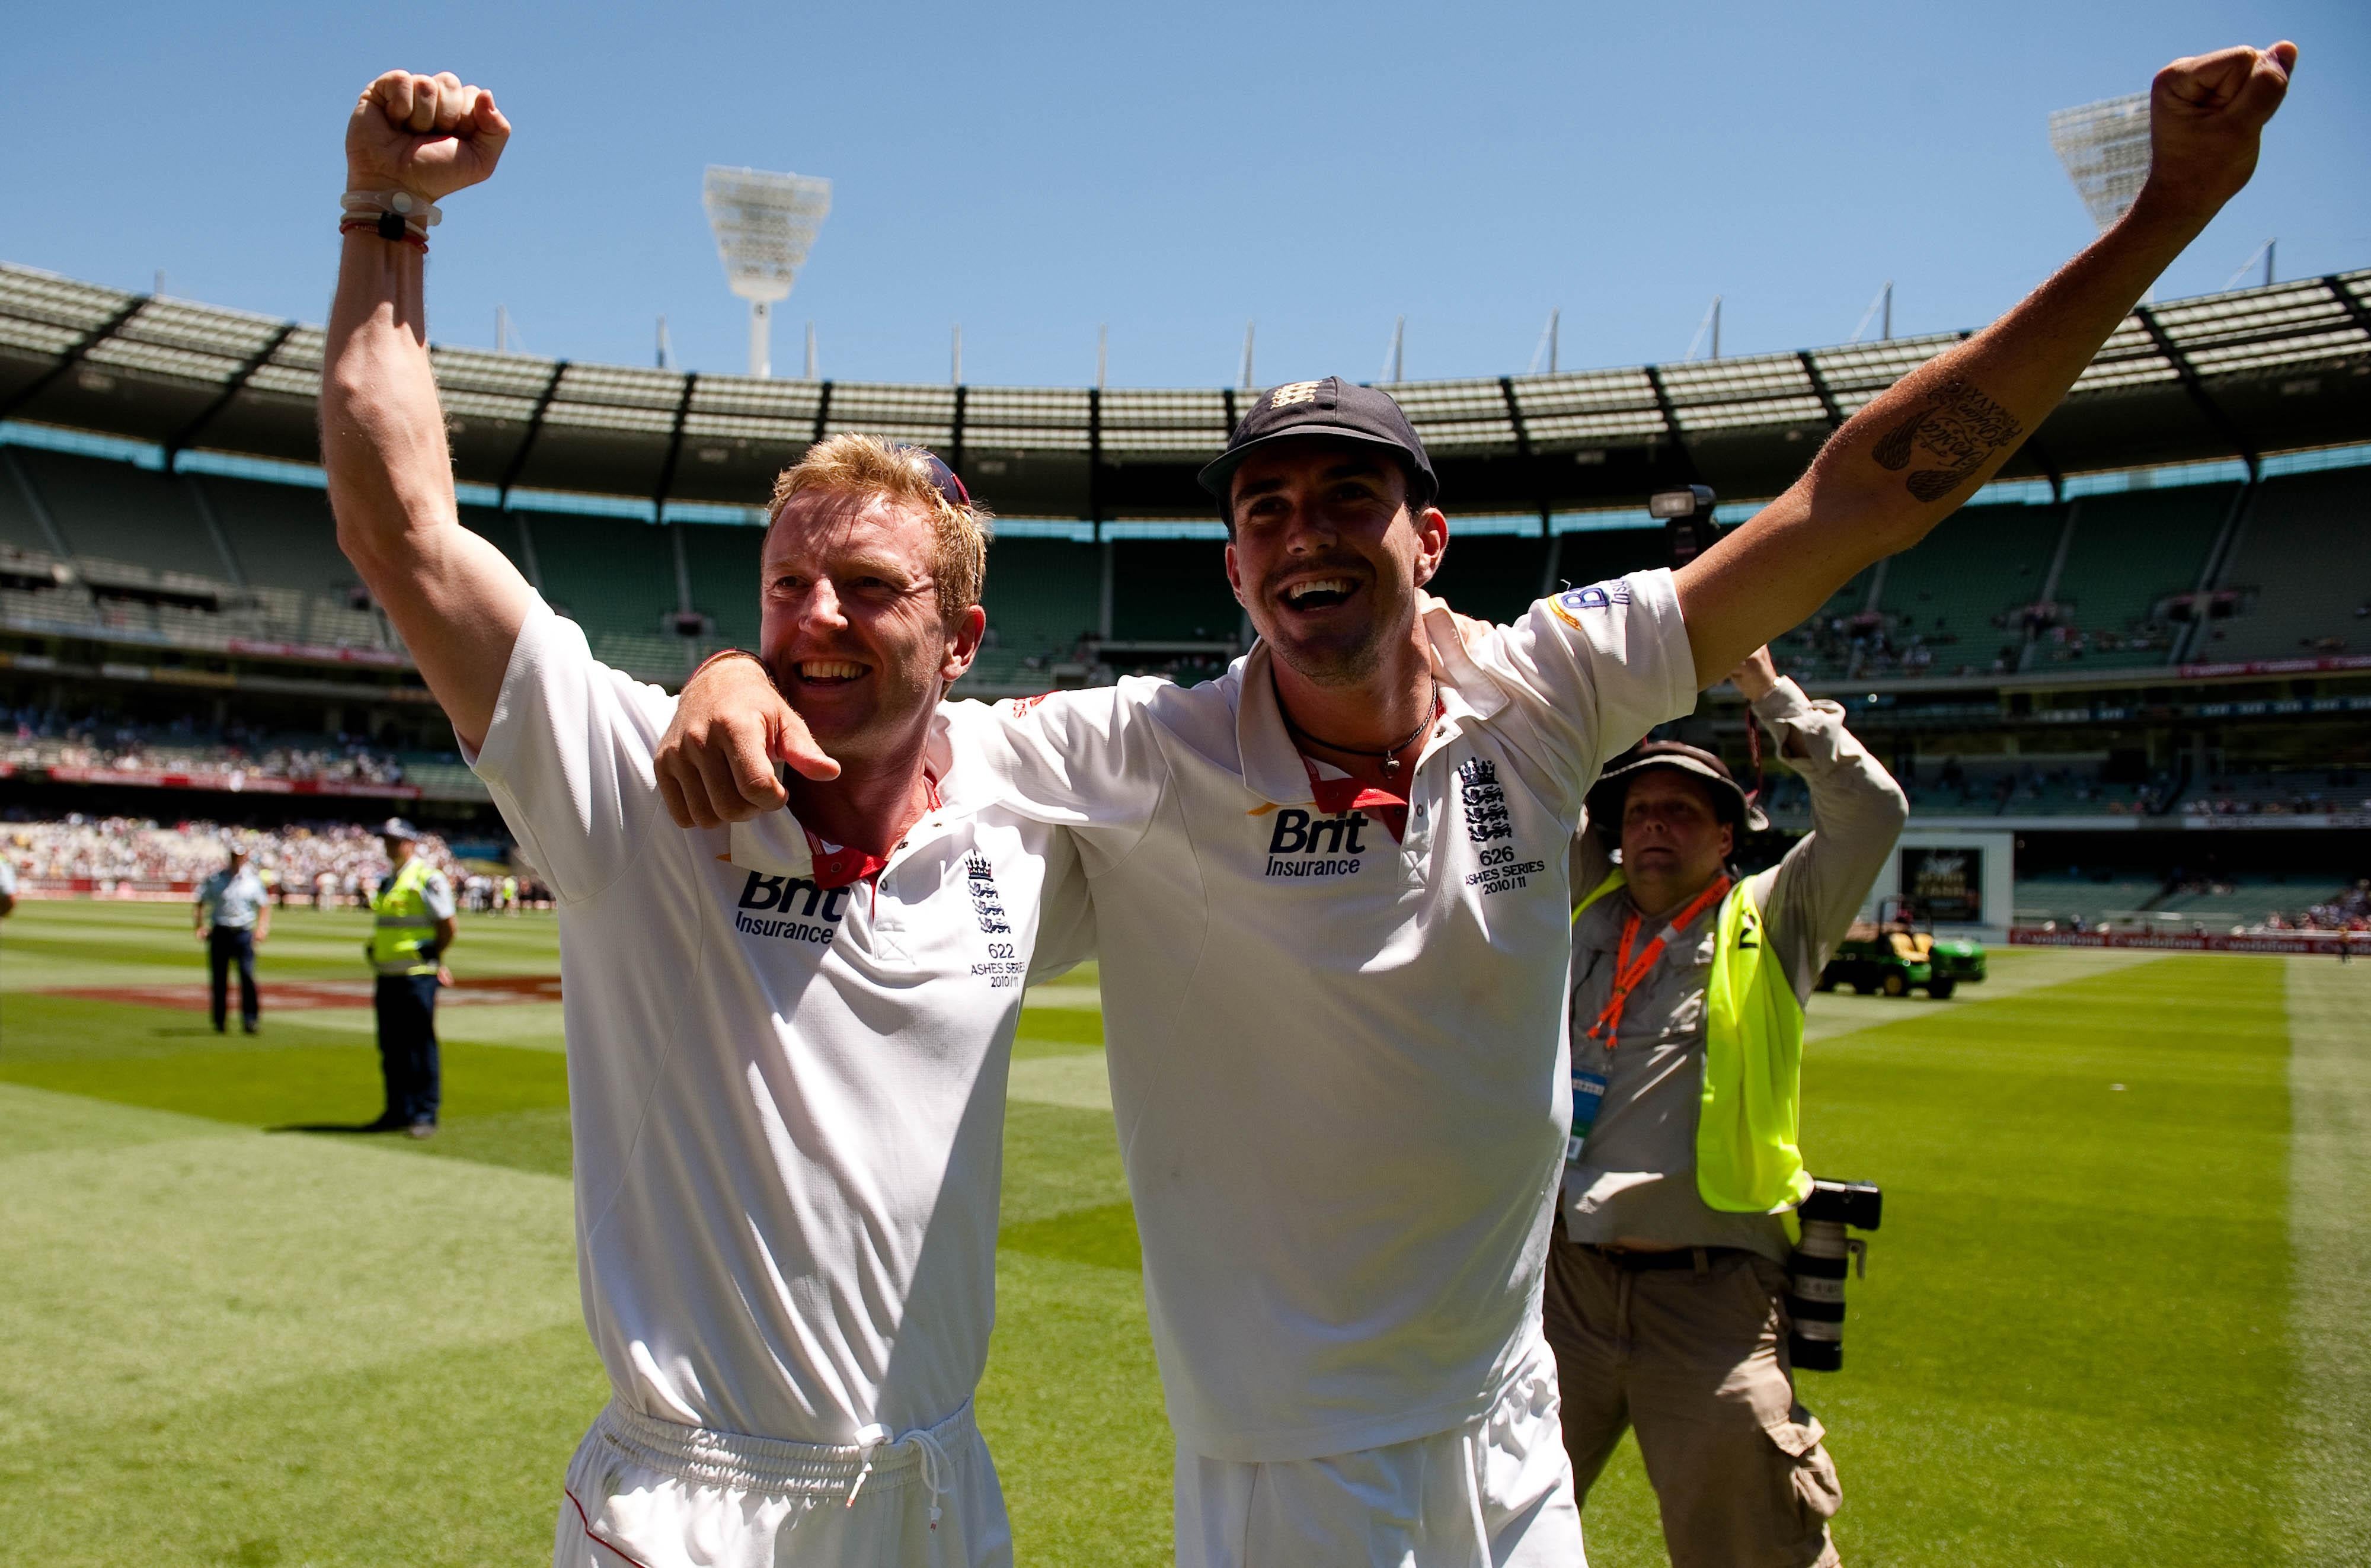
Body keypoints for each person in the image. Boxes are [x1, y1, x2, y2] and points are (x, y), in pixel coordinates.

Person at [659, 38, 2295, 1564]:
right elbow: (891, 708)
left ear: (1426, 540)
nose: (1307, 532)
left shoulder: (1549, 683)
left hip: (1511, 1422)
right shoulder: (1143, 746)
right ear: (1234, 568)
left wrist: (2166, 213)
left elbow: (1854, 495)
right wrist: (734, 667)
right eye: (1269, 509)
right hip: (1291, 1463)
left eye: (1350, 497)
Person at [322, 69, 1093, 1567]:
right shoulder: (631, 782)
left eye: (869, 589)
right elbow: (399, 527)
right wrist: (386, 213)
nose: (816, 617)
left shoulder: (1029, 807)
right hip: (695, 1508)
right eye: (784, 588)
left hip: (937, 1494)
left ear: (964, 641)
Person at [1545, 648, 1906, 1567]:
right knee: (1473, 1524)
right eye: (1638, 812)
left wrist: (1766, 691)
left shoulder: (1771, 915)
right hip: (1564, 1292)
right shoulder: (1584, 907)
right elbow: (1542, 796)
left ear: (1725, 836)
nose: (1653, 825)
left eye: (1680, 811)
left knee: (1752, 1548)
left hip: (1712, 1296)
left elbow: (1872, 811)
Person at [365, 817, 455, 1137]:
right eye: (386, 840)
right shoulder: (388, 880)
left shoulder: (427, 878)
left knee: (419, 1046)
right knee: (391, 1046)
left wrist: (433, 956)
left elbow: (447, 925)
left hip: (417, 976)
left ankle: (424, 1113)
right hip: (388, 974)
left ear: (410, 843)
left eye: (394, 840)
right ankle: (398, 1110)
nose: (388, 845)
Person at [194, 840, 271, 1035]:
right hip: (220, 932)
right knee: (220, 979)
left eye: (241, 857)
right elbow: (201, 901)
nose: (237, 860)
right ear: (230, 857)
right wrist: (200, 926)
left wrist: (262, 928)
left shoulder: (252, 880)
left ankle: (250, 1020)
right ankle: (220, 1021)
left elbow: (264, 904)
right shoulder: (215, 879)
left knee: (247, 976)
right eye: (234, 857)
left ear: (245, 858)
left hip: (243, 933)